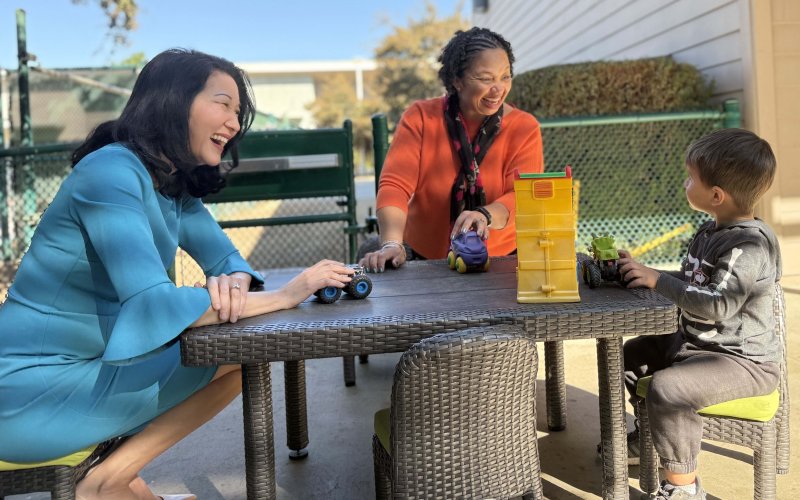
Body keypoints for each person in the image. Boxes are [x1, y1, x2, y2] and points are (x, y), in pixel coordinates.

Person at [0, 49, 354, 500]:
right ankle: (107, 483)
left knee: (239, 354)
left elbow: (229, 261)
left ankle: (113, 478)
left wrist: (232, 286)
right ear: (172, 100)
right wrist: (287, 295)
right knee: (239, 354)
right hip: (27, 392)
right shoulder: (110, 171)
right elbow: (151, 303)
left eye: (238, 112)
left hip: (89, 369)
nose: (233, 121)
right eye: (222, 103)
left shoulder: (169, 187)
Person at [614, 128, 781, 499]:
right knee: (631, 355)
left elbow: (719, 304)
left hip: (741, 362)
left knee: (669, 389)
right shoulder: (711, 230)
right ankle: (649, 438)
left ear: (716, 196)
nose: (686, 182)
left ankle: (683, 487)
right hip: (697, 344)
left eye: (692, 178)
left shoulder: (749, 245)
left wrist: (658, 280)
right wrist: (645, 274)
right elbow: (695, 282)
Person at [359, 27, 544, 272]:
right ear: (457, 80)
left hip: (501, 261)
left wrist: (484, 215)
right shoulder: (421, 118)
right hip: (424, 259)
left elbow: (522, 195)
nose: (498, 88)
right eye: (486, 79)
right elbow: (395, 185)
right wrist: (392, 243)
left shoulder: (524, 128)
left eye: (505, 76)